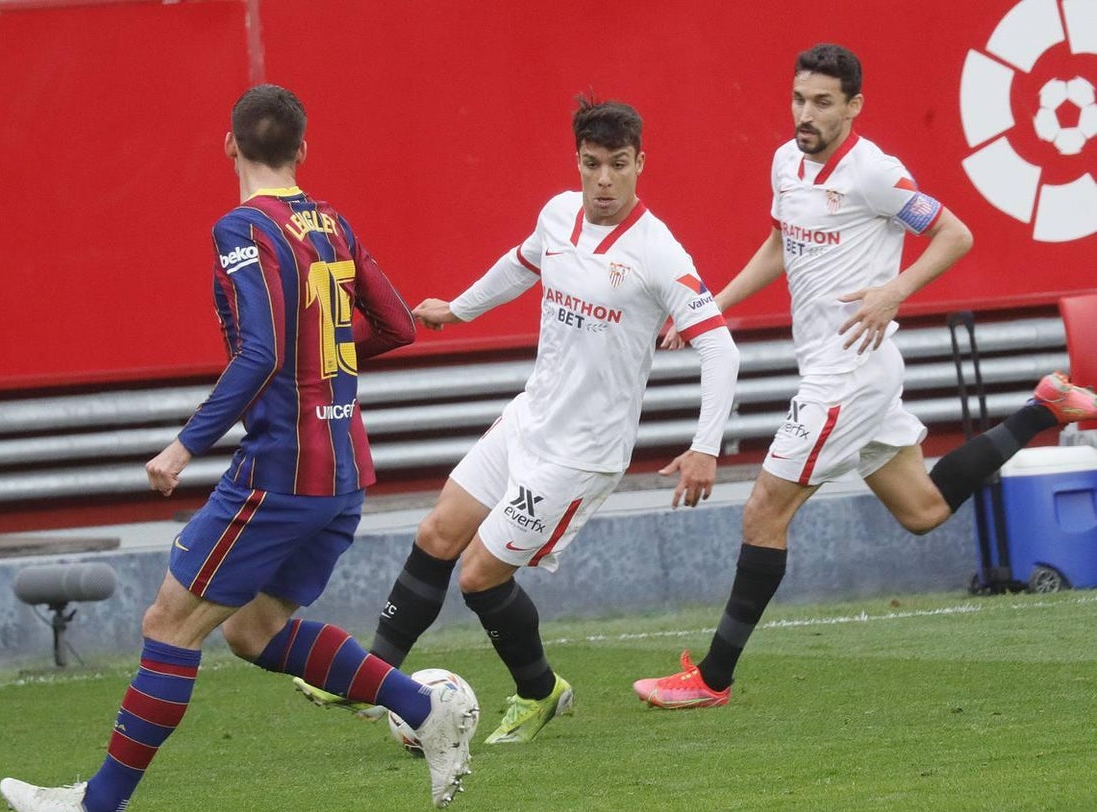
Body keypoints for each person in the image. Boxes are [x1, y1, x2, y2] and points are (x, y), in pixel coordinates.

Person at [0, 84, 478, 812]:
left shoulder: (239, 228)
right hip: (345, 468)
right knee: (255, 631)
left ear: (229, 146)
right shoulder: (333, 221)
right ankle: (423, 710)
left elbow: (260, 350)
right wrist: (329, 364)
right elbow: (394, 324)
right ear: (304, 150)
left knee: (168, 622)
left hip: (280, 473)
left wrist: (185, 444)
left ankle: (98, 807)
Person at [632, 43, 1097, 710]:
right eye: (799, 99)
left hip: (847, 374)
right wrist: (711, 307)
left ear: (854, 106)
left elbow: (956, 235)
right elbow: (778, 246)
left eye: (823, 102)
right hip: (849, 372)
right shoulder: (786, 164)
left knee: (764, 511)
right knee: (923, 509)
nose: (806, 113)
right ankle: (1045, 407)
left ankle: (712, 677)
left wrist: (892, 292)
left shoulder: (875, 174)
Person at [296, 95, 741, 743]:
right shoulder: (558, 215)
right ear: (578, 162)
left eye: (619, 164)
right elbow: (522, 263)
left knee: (479, 574)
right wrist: (461, 309)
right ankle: (369, 674)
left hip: (582, 454)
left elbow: (721, 348)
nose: (605, 180)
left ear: (641, 163)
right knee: (437, 530)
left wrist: (706, 447)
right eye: (593, 164)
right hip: (528, 418)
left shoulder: (658, 252)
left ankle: (539, 691)